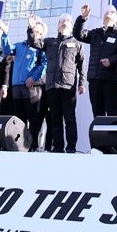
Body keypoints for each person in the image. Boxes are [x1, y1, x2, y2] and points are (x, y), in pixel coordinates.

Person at [73, 4, 117, 121]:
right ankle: (99, 134)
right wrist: (83, 18)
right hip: (94, 79)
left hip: (111, 79)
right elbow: (78, 34)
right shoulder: (95, 33)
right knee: (97, 115)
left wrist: (111, 61)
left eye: (112, 12)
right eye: (106, 12)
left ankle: (113, 134)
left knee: (112, 114)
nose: (108, 13)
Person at [42, 13, 85, 152]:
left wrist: (82, 82)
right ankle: (58, 147)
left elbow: (81, 64)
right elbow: (35, 43)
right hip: (52, 85)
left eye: (67, 20)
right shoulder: (50, 42)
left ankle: (71, 147)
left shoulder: (76, 43)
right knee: (55, 119)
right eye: (61, 20)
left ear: (71, 26)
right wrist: (31, 28)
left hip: (68, 85)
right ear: (57, 26)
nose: (64, 22)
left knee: (69, 118)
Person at [10, 15, 48, 150]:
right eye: (34, 31)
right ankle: (20, 146)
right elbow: (7, 49)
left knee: (34, 119)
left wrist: (33, 78)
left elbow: (44, 65)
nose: (35, 34)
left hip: (32, 88)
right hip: (17, 87)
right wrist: (4, 34)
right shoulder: (20, 45)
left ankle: (33, 147)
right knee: (19, 119)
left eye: (38, 33)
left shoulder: (42, 47)